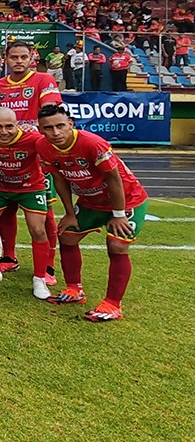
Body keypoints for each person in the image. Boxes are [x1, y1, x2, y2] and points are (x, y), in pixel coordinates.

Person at [37, 104, 149, 322]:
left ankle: (113, 305)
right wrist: (70, 213)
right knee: (67, 235)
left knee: (117, 246)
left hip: (127, 200)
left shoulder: (92, 143)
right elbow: (59, 179)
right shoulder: (43, 146)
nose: (55, 132)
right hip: (90, 201)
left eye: (60, 126)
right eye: (48, 128)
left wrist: (118, 214)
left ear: (70, 124)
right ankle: (74, 290)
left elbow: (114, 179)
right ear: (40, 129)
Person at [0, 41, 62, 275]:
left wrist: (36, 129)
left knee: (45, 212)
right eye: (14, 57)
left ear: (31, 58)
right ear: (5, 59)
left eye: (23, 57)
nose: (19, 61)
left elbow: (51, 110)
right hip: (7, 154)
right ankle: (9, 256)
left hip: (36, 154)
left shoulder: (43, 80)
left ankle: (48, 264)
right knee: (7, 208)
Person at [0, 107, 53, 299]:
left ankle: (39, 279)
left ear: (18, 125)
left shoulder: (33, 138)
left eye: (9, 126)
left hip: (30, 187)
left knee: (38, 229)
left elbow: (55, 149)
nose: (4, 132)